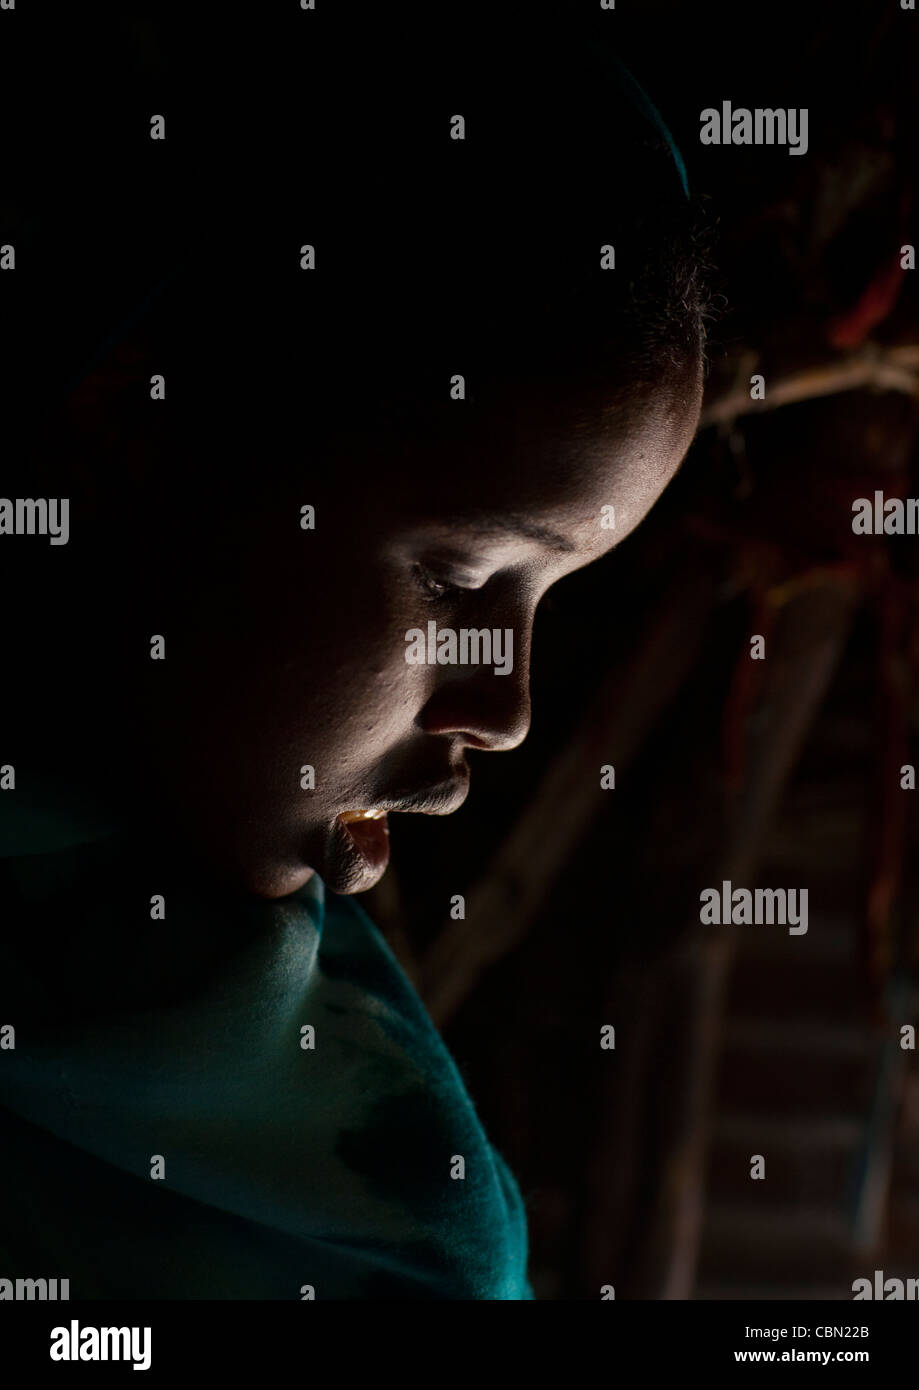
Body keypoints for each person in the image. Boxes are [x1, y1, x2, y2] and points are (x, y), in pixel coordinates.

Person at [0, 38, 712, 1298]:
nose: (505, 710)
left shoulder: (252, 1044)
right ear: (135, 426)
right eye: (458, 576)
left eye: (550, 599)